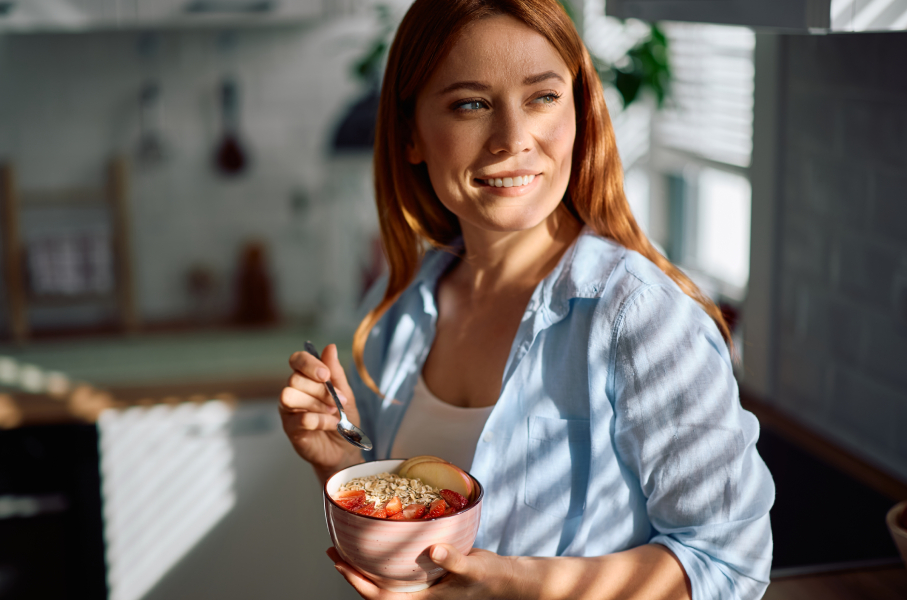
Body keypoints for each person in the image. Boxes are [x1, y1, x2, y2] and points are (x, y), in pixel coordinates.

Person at [278, 1, 774, 598]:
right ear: (411, 134)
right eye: (470, 104)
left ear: (579, 110)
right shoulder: (401, 309)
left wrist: (515, 585)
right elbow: (409, 536)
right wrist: (337, 464)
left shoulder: (641, 317)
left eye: (542, 97)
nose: (513, 141)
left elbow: (728, 565)